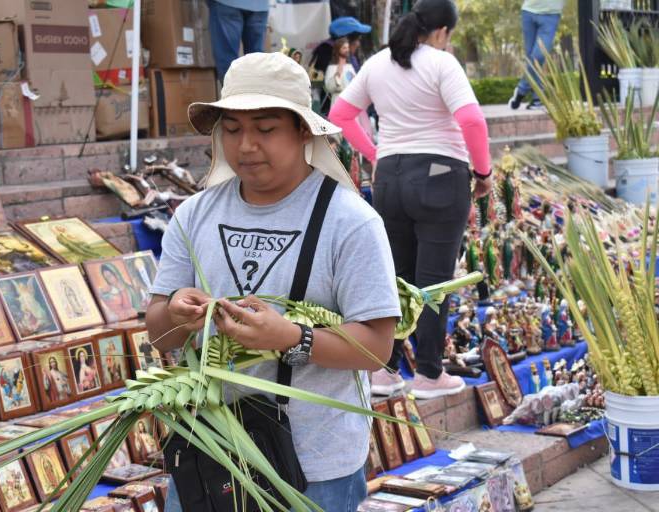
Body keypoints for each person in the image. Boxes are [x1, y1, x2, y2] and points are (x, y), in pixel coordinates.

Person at [146, 51, 399, 511]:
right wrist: (179, 314)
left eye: (265, 129)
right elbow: (157, 328)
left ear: (304, 130)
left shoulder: (350, 222)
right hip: (207, 454)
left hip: (312, 467)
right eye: (233, 129)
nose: (245, 146)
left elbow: (377, 347)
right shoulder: (194, 215)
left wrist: (292, 338)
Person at [329, 0, 492, 399]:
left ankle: (385, 370)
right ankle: (430, 374)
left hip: (391, 177)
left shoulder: (377, 63)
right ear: (442, 32)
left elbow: (340, 114)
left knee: (395, 276)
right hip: (440, 174)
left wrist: (374, 154)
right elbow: (471, 120)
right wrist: (484, 173)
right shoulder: (441, 63)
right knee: (433, 281)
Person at [508, 0, 565, 110]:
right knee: (531, 59)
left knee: (538, 56)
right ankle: (537, 100)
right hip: (528, 12)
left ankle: (521, 90)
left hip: (551, 15)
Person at [207, 0, 269, 82]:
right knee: (256, 59)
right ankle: (257, 92)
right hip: (260, 5)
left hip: (227, 4)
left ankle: (233, 93)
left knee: (227, 57)